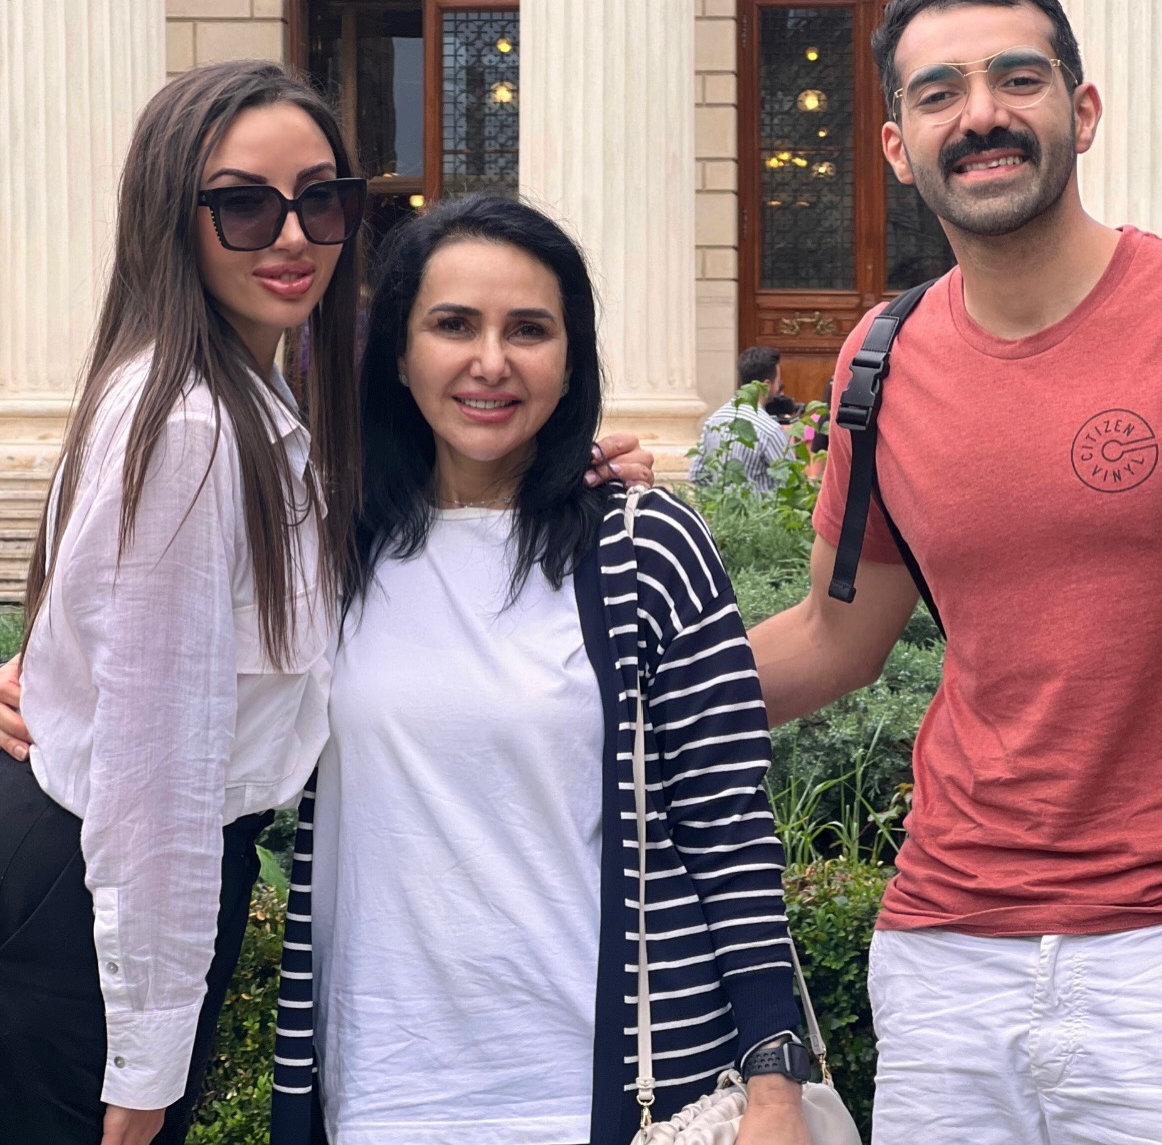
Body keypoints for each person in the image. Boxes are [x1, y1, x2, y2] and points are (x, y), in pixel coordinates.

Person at [0, 64, 652, 1145]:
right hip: (93, 910)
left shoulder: (246, 398)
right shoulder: (192, 427)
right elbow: (155, 781)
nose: (293, 235)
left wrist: (548, 467)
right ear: (172, 214)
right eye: (244, 205)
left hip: (99, 893)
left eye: (323, 198)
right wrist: (148, 1060)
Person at [748, 0, 1162, 1144]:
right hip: (946, 960)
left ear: (1080, 111)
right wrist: (591, 677)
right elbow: (835, 636)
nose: (979, 113)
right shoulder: (880, 360)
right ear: (897, 147)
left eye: (1016, 79)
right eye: (938, 93)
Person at [269, 195, 813, 1145]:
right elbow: (182, 683)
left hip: (612, 1098)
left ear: (571, 359)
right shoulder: (324, 549)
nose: (491, 361)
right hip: (382, 1093)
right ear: (398, 353)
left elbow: (729, 828)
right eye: (453, 325)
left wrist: (775, 1090)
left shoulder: (645, 547)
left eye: (529, 329)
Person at [688, 345, 791, 492]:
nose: (779, 387)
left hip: (719, 505)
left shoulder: (713, 421)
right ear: (766, 385)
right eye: (778, 382)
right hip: (759, 506)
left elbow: (696, 474)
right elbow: (790, 483)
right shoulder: (769, 430)